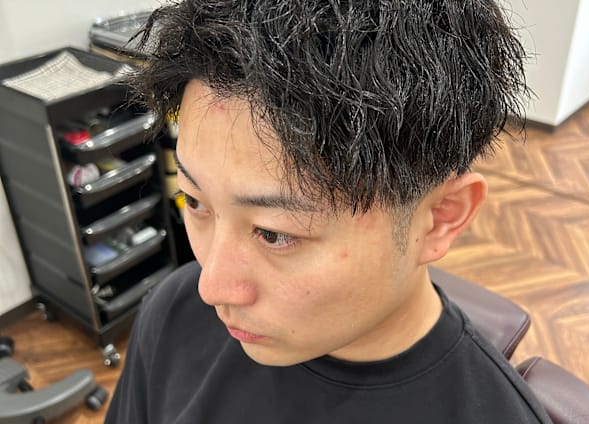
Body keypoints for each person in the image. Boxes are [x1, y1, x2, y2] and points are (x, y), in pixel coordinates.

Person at [106, 1, 551, 422]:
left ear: (440, 218)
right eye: (195, 201)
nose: (211, 287)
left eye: (274, 233)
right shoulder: (173, 315)